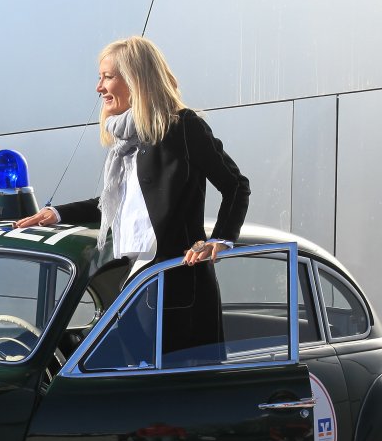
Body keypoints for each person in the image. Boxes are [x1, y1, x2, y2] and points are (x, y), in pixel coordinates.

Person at [14, 36, 250, 358]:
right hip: (136, 281)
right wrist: (56, 214)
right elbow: (115, 206)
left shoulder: (183, 127)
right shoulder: (125, 142)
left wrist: (220, 240)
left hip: (175, 288)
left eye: (107, 77)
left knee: (168, 385)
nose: (99, 87)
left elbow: (236, 185)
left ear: (135, 79)